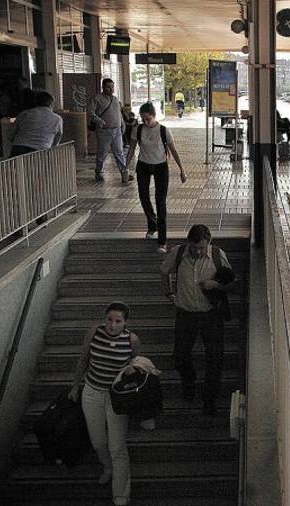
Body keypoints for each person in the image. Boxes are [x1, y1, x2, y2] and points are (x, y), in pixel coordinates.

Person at [69, 302, 141, 506]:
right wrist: (75, 386)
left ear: (125, 322)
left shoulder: (131, 339)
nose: (112, 324)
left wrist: (131, 371)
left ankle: (121, 493)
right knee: (98, 441)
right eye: (109, 319)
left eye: (118, 321)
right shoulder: (94, 332)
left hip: (116, 397)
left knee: (117, 445)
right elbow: (84, 359)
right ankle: (107, 468)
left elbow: (136, 363)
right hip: (92, 392)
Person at [160, 225, 234, 415]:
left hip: (211, 314)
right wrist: (169, 293)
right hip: (186, 314)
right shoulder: (178, 254)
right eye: (195, 248)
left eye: (202, 247)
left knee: (215, 359)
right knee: (180, 356)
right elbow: (164, 271)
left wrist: (214, 284)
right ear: (189, 243)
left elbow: (230, 282)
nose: (199, 251)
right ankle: (189, 383)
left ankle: (209, 400)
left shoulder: (217, 255)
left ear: (208, 243)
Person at [125, 102, 187, 252]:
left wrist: (182, 170)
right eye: (143, 119)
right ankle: (152, 225)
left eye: (148, 119)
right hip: (143, 165)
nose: (146, 122)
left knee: (160, 202)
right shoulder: (138, 129)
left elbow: (174, 150)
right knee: (144, 197)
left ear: (154, 116)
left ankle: (162, 241)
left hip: (161, 166)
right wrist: (125, 168)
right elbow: (132, 149)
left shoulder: (164, 131)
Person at [88, 78, 130, 183]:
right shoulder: (96, 99)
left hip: (117, 131)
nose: (111, 89)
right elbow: (90, 112)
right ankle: (99, 173)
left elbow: (119, 114)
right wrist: (99, 121)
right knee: (102, 153)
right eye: (108, 87)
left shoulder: (116, 100)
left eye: (112, 87)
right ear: (103, 87)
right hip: (104, 131)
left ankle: (124, 174)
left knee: (119, 153)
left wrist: (122, 124)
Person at [8, 91, 63, 157]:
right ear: (51, 104)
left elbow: (11, 134)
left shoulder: (25, 114)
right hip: (41, 151)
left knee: (16, 167)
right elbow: (57, 137)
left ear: (36, 102)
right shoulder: (57, 119)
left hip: (19, 149)